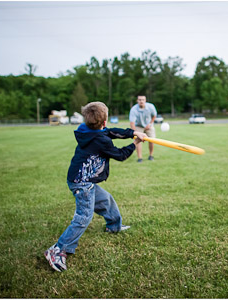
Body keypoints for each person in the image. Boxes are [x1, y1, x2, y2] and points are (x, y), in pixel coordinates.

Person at [44, 101, 147, 272]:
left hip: (83, 179)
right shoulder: (100, 139)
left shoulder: (87, 130)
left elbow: (112, 132)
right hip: (82, 183)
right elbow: (120, 155)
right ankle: (57, 249)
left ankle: (113, 226)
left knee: (106, 200)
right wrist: (135, 143)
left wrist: (132, 133)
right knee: (84, 217)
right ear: (104, 121)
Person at [128, 95, 157, 163]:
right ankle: (140, 158)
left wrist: (150, 124)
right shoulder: (134, 109)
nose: (141, 101)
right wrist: (135, 133)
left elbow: (154, 115)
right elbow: (132, 122)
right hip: (138, 125)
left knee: (152, 140)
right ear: (137, 101)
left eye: (143, 100)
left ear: (145, 100)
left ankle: (150, 155)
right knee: (138, 140)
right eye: (139, 100)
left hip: (148, 125)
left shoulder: (151, 106)